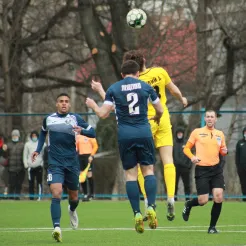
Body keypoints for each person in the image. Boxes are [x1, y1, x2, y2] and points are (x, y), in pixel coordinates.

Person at [92, 50, 188, 221]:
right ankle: (171, 197)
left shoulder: (121, 85)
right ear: (142, 62)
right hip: (161, 119)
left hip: (140, 123)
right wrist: (182, 99)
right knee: (166, 162)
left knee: (135, 170)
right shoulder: (157, 74)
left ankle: (145, 205)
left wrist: (99, 94)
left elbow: (113, 106)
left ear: (124, 72)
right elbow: (172, 91)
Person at [86, 60, 163, 233]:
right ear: (137, 73)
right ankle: (150, 206)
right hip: (144, 132)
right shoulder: (145, 86)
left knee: (130, 175)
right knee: (148, 170)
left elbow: (103, 114)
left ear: (122, 75)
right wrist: (157, 117)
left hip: (125, 135)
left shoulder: (114, 88)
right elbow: (160, 109)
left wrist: (93, 105)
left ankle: (136, 213)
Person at [31, 93, 96, 243]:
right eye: (61, 101)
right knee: (57, 193)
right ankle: (57, 228)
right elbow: (42, 133)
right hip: (55, 163)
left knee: (74, 197)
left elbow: (92, 132)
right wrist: (38, 149)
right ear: (56, 104)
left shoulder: (75, 118)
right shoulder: (49, 119)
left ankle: (72, 210)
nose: (64, 104)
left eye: (66, 101)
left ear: (70, 104)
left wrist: (82, 131)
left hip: (72, 163)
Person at [182, 109, 228, 234]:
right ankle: (189, 204)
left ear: (215, 119)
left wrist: (224, 150)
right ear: (205, 118)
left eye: (212, 117)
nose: (209, 119)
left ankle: (212, 227)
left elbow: (223, 151)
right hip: (202, 169)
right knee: (203, 200)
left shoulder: (220, 134)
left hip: (216, 169)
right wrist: (192, 157)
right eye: (207, 116)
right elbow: (186, 148)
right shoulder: (197, 132)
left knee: (218, 197)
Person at [23, 131, 46, 201]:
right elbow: (25, 155)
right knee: (31, 182)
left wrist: (42, 164)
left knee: (39, 182)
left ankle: (39, 197)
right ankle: (31, 198)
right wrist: (26, 164)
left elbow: (44, 155)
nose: (34, 137)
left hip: (39, 166)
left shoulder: (42, 144)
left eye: (35, 136)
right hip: (30, 166)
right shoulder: (27, 144)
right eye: (33, 136)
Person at [76, 134, 98, 201]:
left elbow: (95, 146)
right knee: (82, 176)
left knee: (89, 175)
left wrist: (91, 156)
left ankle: (91, 194)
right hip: (80, 157)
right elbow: (76, 147)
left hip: (88, 156)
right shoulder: (78, 136)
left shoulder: (90, 134)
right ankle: (85, 194)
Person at [5, 129, 25, 200]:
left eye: (16, 135)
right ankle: (10, 196)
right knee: (12, 183)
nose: (15, 136)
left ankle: (17, 196)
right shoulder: (8, 145)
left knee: (18, 184)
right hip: (11, 168)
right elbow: (5, 155)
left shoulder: (22, 145)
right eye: (13, 135)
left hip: (20, 168)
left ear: (18, 136)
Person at [173, 127, 192, 201]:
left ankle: (187, 198)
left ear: (183, 134)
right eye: (178, 133)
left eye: (181, 133)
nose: (180, 134)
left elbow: (190, 155)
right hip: (176, 167)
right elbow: (171, 155)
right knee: (174, 184)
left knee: (187, 184)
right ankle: (174, 198)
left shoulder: (187, 143)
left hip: (185, 168)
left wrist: (189, 165)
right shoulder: (173, 143)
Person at [235, 127, 246, 201]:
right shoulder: (240, 143)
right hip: (242, 168)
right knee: (243, 184)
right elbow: (237, 156)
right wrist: (238, 167)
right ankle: (244, 198)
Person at [0, 133, 8, 198]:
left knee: (2, 181)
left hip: (1, 165)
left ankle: (2, 195)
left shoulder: (3, 146)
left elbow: (5, 156)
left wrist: (4, 150)